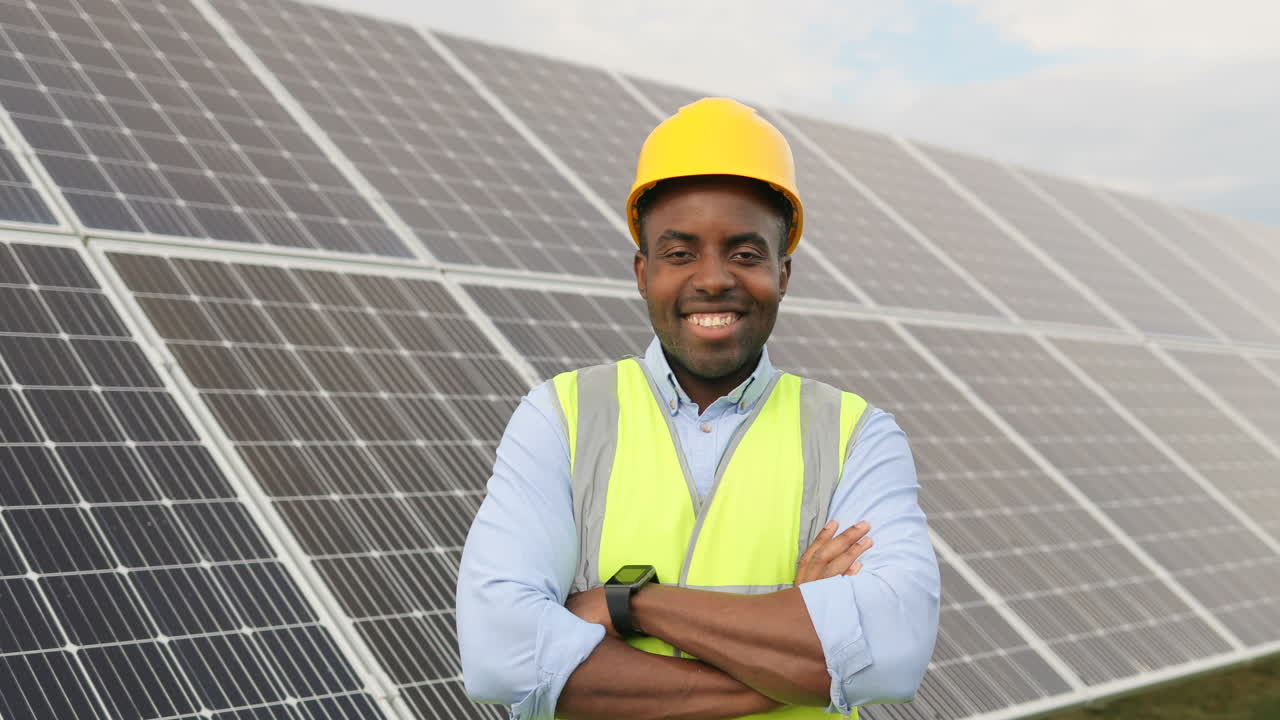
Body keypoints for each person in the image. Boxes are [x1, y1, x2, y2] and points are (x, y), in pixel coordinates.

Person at [456, 97, 939, 720]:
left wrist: (632, 603)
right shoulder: (561, 416)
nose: (713, 279)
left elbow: (894, 656)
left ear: (783, 273)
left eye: (745, 254)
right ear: (642, 271)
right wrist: (805, 659)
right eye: (680, 253)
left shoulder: (855, 436)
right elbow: (501, 657)